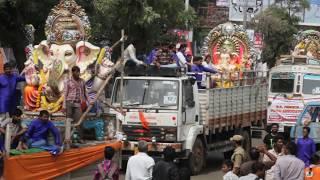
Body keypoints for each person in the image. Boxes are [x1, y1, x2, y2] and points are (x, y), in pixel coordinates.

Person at [63, 66, 90, 142]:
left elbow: (86, 93)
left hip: (78, 103)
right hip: (69, 103)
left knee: (79, 121)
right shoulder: (67, 81)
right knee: (69, 121)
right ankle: (69, 138)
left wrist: (90, 100)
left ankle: (80, 138)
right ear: (73, 72)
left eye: (79, 72)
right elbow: (65, 94)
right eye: (76, 72)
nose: (78, 73)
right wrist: (64, 105)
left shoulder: (82, 81)